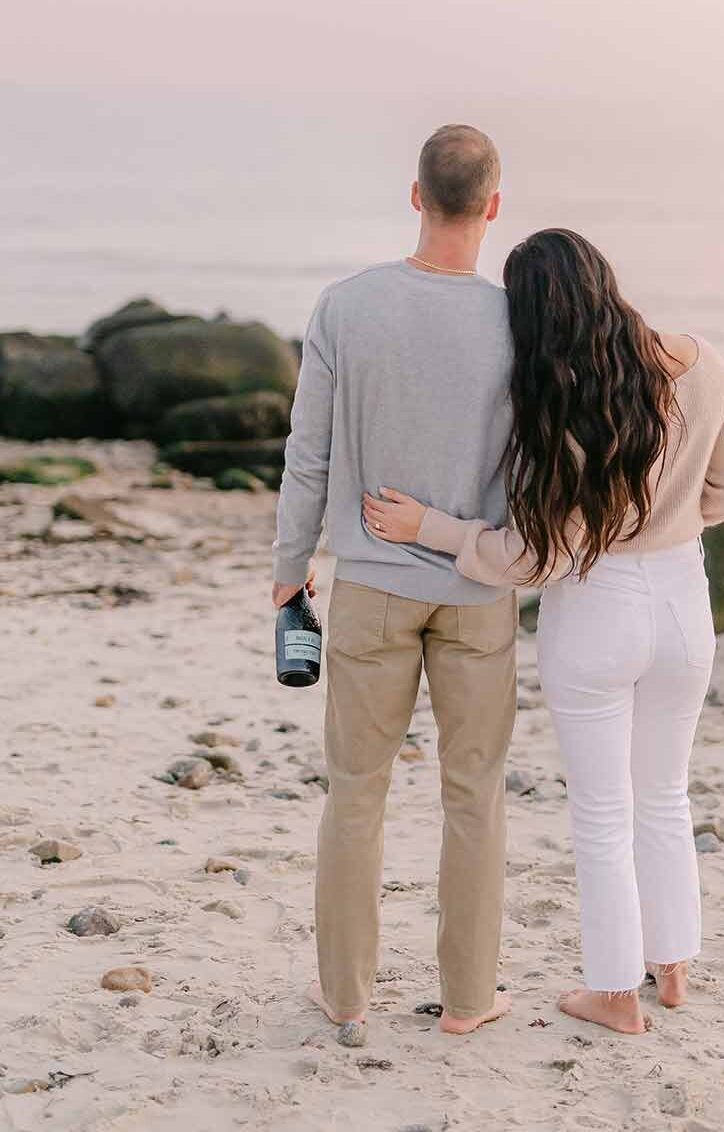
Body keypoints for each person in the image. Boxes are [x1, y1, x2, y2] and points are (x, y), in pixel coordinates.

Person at [363, 228, 724, 1036]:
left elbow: (524, 560)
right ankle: (671, 970)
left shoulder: (561, 404)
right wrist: (671, 525)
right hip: (685, 602)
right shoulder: (702, 361)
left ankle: (613, 995)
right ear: (606, 281)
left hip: (597, 611)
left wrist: (428, 527)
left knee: (603, 813)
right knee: (666, 794)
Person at [272, 124, 518, 1039]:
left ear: (415, 195)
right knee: (474, 795)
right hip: (476, 590)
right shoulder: (515, 323)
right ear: (491, 205)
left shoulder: (346, 307)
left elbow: (309, 456)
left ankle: (344, 995)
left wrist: (287, 567)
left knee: (355, 792)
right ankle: (466, 1002)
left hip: (369, 587)